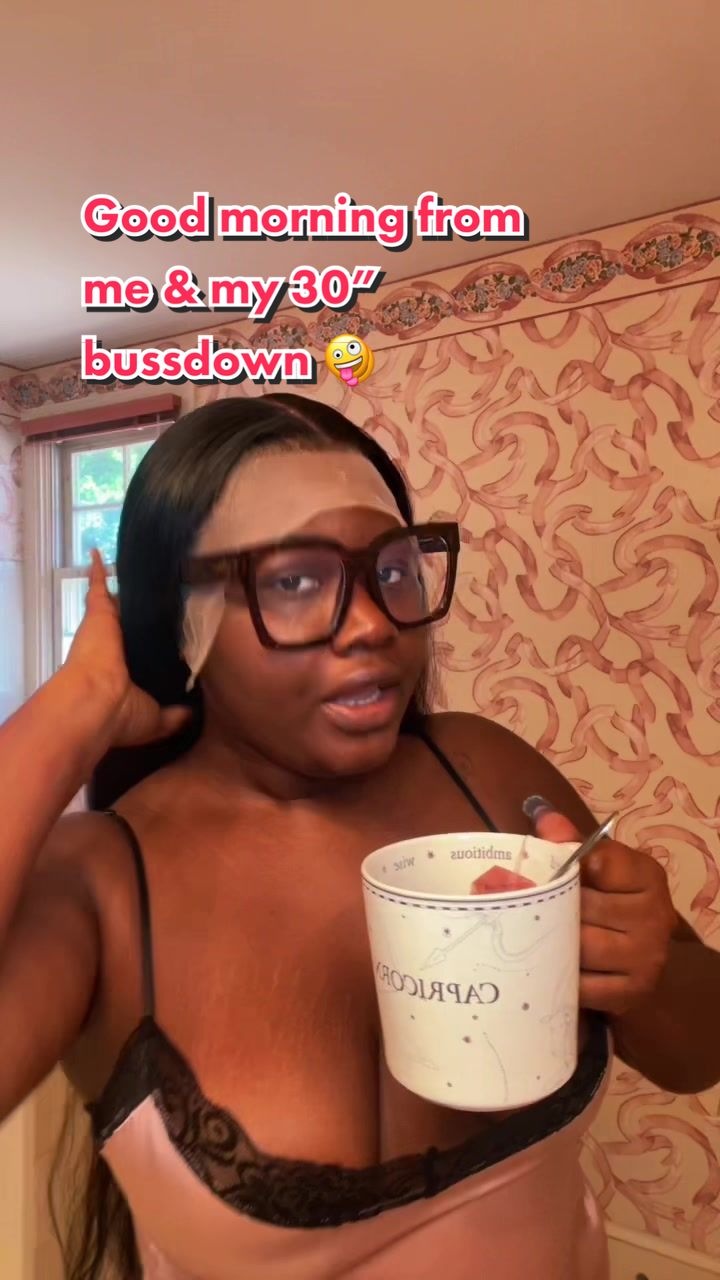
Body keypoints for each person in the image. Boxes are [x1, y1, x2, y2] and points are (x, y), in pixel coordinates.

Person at [1, 393, 718, 1280]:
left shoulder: (486, 771)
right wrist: (69, 715)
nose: (375, 622)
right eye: (294, 581)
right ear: (182, 620)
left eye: (393, 568)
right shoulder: (103, 881)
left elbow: (698, 1051)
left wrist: (646, 970)